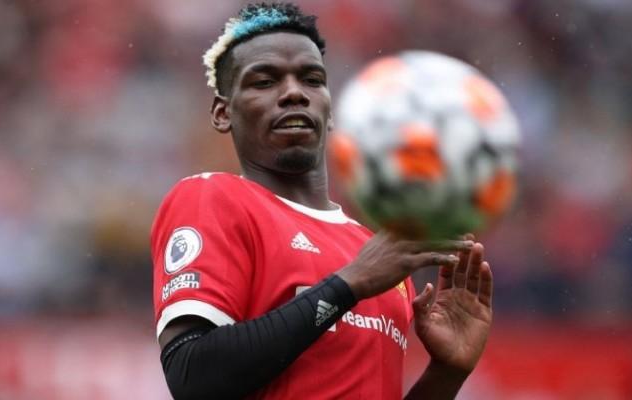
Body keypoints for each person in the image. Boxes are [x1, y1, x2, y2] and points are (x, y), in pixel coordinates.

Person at [151, 3, 493, 399]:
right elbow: (193, 376)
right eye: (265, 81)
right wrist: (347, 285)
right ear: (223, 113)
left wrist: (447, 373)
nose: (294, 93)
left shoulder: (377, 255)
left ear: (329, 110)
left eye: (312, 79)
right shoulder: (214, 198)